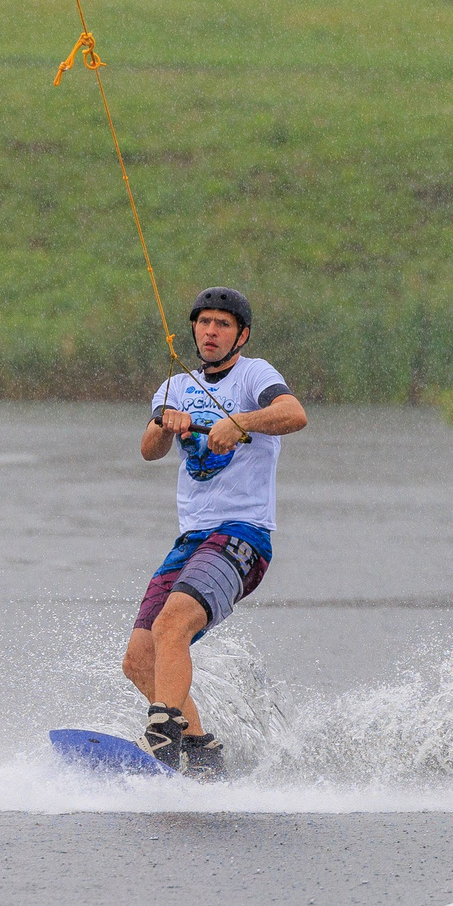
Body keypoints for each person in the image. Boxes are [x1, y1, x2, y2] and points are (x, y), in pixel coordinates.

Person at [125, 286, 307, 774]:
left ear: (240, 335)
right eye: (204, 322)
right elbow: (148, 449)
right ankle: (201, 753)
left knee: (172, 624)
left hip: (243, 536)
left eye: (222, 324)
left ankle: (162, 737)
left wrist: (241, 421)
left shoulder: (254, 375)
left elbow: (294, 414)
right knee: (140, 660)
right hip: (192, 540)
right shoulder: (175, 387)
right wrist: (165, 426)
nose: (210, 331)